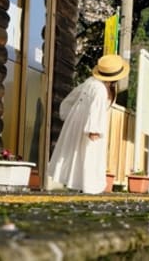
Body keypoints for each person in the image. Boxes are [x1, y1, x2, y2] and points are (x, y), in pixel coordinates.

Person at [46, 54, 129, 194]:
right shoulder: (100, 90)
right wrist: (94, 129)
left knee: (79, 154)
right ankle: (88, 187)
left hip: (79, 124)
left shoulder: (90, 82)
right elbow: (95, 110)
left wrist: (71, 119)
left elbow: (69, 100)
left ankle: (79, 185)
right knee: (90, 155)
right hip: (90, 127)